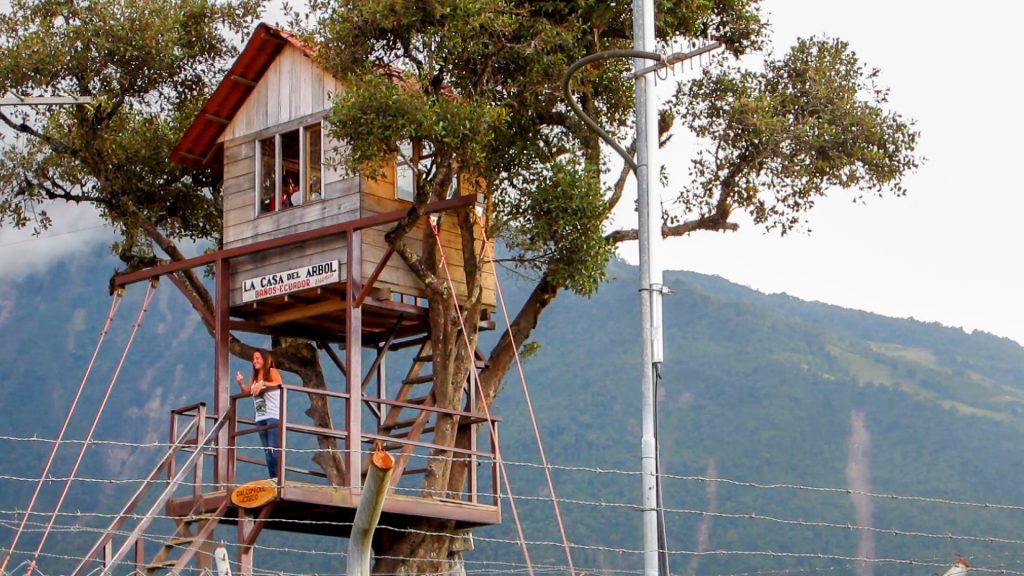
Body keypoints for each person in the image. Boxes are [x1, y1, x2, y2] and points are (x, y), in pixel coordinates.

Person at [235, 350, 283, 480]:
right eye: (253, 359)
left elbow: (279, 384)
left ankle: (278, 478)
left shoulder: (272, 372)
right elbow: (247, 391)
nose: (254, 361)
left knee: (273, 448)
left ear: (265, 359)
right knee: (267, 451)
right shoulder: (255, 376)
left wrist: (264, 383)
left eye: (257, 358)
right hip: (261, 416)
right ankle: (272, 477)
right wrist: (241, 383)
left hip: (273, 415)